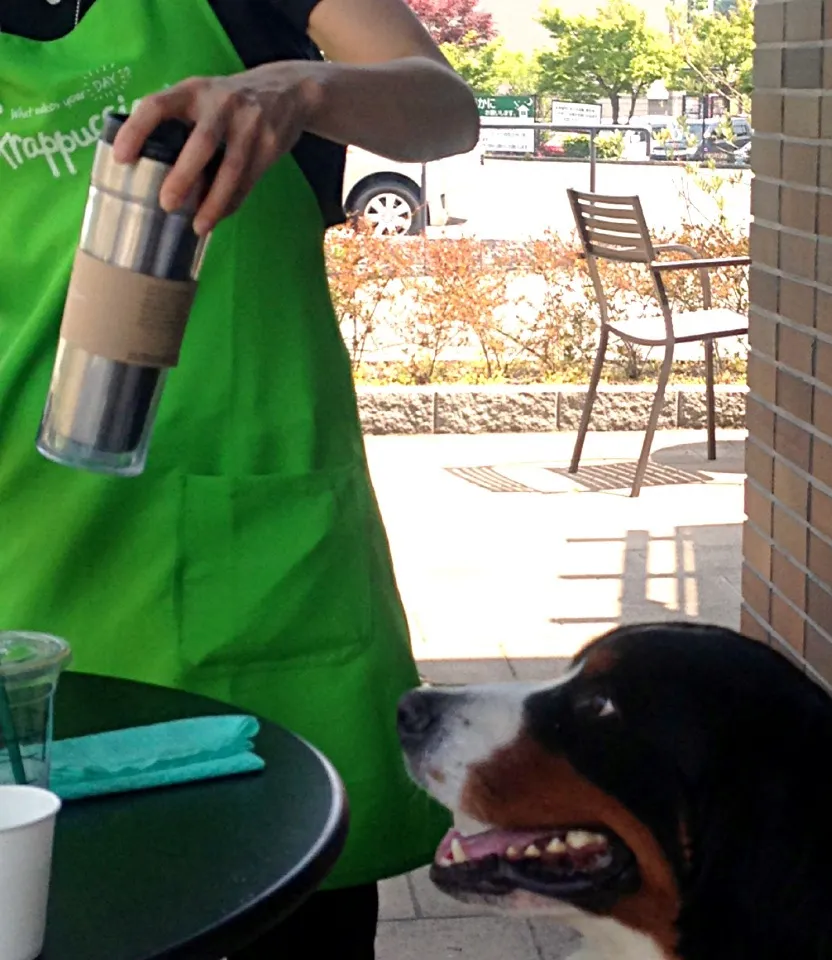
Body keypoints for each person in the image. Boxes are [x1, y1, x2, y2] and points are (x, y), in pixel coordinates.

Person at [0, 0, 478, 956]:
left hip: (249, 590)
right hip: (19, 567)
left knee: (276, 919)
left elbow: (441, 106)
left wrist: (297, 87)